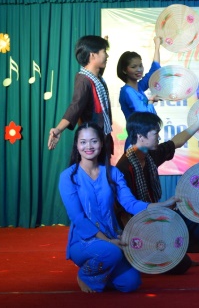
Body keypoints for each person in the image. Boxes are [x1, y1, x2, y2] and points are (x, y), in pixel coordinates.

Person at [58, 122, 178, 293]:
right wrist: (108, 242)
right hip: (83, 241)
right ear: (77, 145)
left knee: (131, 283)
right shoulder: (68, 177)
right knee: (112, 252)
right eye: (83, 142)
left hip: (112, 238)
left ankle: (101, 274)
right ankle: (86, 275)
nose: (88, 146)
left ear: (101, 143)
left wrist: (162, 205)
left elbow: (131, 204)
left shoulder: (113, 173)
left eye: (94, 141)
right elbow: (78, 218)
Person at [115, 109, 199, 273]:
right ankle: (150, 255)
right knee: (180, 267)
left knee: (194, 209)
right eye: (156, 134)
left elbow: (175, 142)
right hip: (136, 224)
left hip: (154, 215)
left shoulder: (149, 155)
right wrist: (132, 242)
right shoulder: (124, 167)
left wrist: (198, 123)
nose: (159, 138)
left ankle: (180, 252)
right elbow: (122, 211)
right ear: (140, 136)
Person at [48, 35, 114, 160]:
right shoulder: (83, 80)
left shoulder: (95, 77)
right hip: (92, 140)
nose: (107, 55)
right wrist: (58, 129)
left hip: (100, 136)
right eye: (104, 52)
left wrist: (103, 43)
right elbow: (75, 106)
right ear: (92, 55)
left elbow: (99, 72)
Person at [117, 36, 163, 150]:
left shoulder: (139, 87)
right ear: (124, 70)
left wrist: (157, 46)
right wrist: (151, 101)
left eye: (140, 65)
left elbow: (155, 70)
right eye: (134, 67)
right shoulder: (127, 91)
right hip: (136, 143)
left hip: (145, 141)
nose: (139, 69)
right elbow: (144, 115)